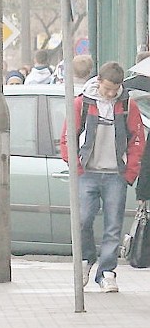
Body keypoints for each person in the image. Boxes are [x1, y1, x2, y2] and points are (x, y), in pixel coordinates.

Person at [60, 61, 146, 293]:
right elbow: (68, 136)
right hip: (88, 173)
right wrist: (76, 166)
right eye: (107, 88)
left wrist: (129, 172)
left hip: (115, 175)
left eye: (114, 90)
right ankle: (87, 259)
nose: (110, 94)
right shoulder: (82, 103)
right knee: (83, 220)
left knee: (113, 226)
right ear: (98, 82)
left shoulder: (127, 105)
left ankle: (107, 272)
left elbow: (138, 140)